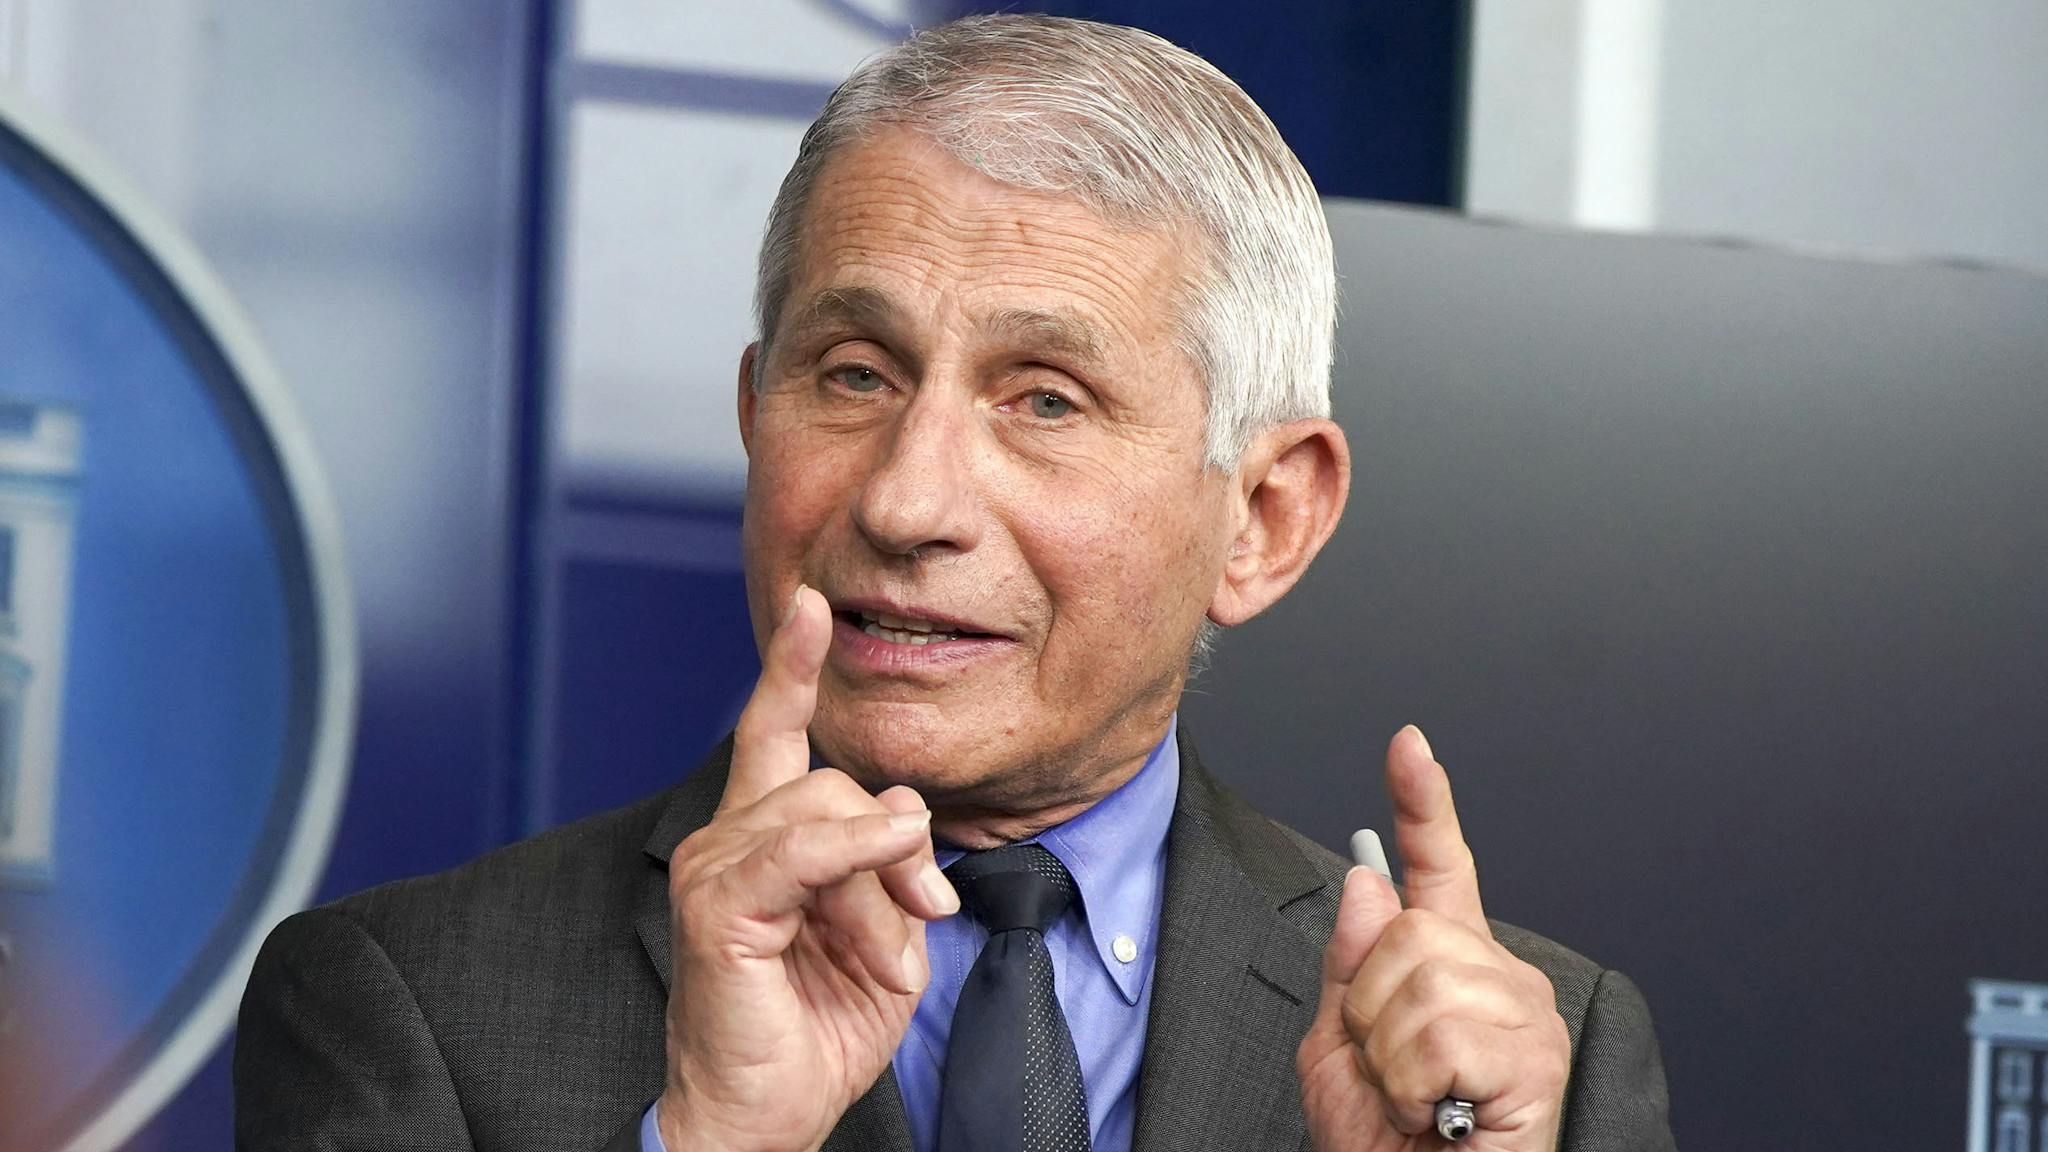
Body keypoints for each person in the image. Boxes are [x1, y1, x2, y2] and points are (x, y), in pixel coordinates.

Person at [235, 15, 1674, 1152]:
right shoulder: (404, 1001)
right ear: (755, 416)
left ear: (1266, 516)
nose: (907, 499)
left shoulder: (1522, 1064)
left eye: (1045, 400)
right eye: (852, 375)